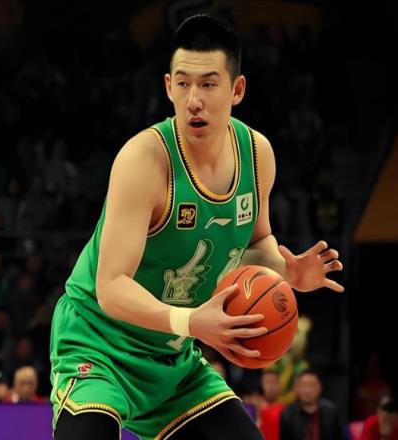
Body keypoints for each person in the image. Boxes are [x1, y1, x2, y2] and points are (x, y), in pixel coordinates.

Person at [50, 14, 344, 440]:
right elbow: (111, 287)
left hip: (173, 360)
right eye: (184, 84)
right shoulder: (144, 160)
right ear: (168, 86)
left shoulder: (257, 154)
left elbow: (256, 242)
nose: (193, 100)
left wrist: (286, 271)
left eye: (208, 84)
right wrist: (192, 323)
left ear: (236, 90)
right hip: (99, 346)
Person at [280, 369, 346, 440]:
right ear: (296, 388)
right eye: (304, 385)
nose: (307, 390)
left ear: (320, 387)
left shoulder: (330, 411)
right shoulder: (288, 413)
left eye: (312, 385)